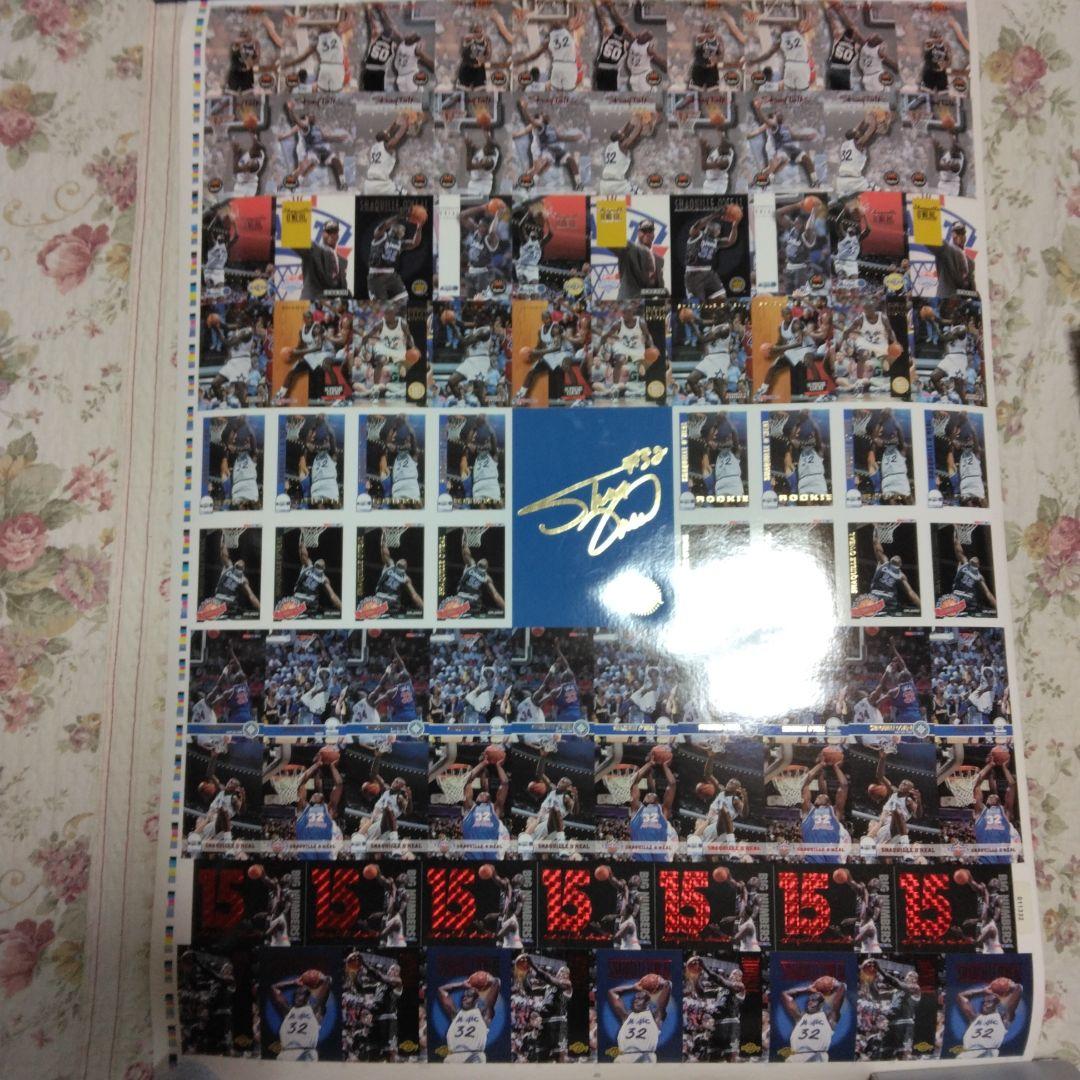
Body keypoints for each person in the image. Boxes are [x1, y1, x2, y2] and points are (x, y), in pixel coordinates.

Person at [607, 975, 672, 1063]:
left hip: (644, 1056)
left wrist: (661, 981)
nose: (635, 1000)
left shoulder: (655, 1016)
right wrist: (633, 987)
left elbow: (668, 985)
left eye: (640, 998)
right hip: (623, 1056)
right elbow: (612, 992)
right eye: (635, 998)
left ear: (647, 1002)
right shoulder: (626, 1016)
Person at [780, 978, 847, 1063]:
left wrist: (834, 983)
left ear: (821, 1004)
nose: (810, 1002)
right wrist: (807, 989)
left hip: (816, 1056)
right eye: (809, 1000)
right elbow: (785, 994)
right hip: (796, 1057)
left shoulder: (829, 1018)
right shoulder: (800, 1017)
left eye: (814, 1000)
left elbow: (842, 988)